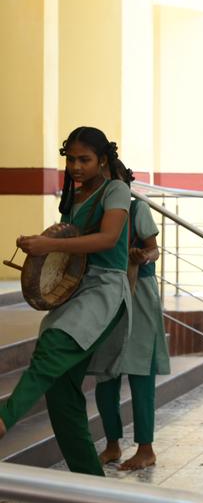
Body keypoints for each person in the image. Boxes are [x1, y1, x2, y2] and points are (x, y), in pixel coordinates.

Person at [0, 127, 132, 477]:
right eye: (71, 159)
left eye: (84, 159)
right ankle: (91, 485)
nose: (75, 166)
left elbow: (108, 238)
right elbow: (68, 244)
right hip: (74, 291)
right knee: (61, 393)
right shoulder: (73, 195)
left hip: (104, 292)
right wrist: (39, 244)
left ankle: (4, 419)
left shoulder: (116, 190)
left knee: (54, 345)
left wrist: (50, 245)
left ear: (102, 160)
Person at [95, 193, 169, 471]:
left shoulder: (138, 207)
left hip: (139, 294)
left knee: (140, 372)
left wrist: (143, 257)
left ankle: (145, 449)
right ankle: (112, 444)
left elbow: (154, 249)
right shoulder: (90, 205)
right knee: (105, 372)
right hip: (104, 292)